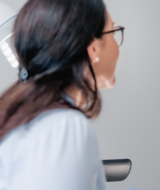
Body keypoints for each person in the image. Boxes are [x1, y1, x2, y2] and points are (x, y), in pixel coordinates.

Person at [0, 0, 124, 189]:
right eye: (113, 32)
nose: (117, 46)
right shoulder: (66, 127)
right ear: (93, 49)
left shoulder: (24, 119)